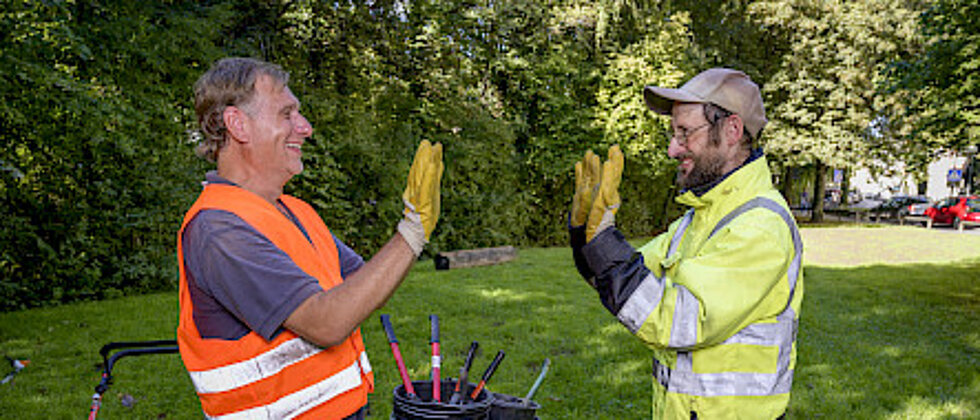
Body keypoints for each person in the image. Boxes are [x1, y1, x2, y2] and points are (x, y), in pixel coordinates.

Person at [176, 57, 443, 419]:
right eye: (287, 114)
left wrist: (413, 225)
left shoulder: (296, 211)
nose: (305, 127)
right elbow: (327, 322)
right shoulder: (219, 231)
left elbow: (362, 292)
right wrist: (411, 231)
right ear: (238, 124)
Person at [569, 68, 803, 419]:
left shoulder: (760, 226)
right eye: (673, 133)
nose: (672, 149)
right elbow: (626, 282)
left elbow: (676, 320)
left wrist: (604, 243)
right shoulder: (700, 218)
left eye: (685, 133)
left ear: (732, 130)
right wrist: (585, 235)